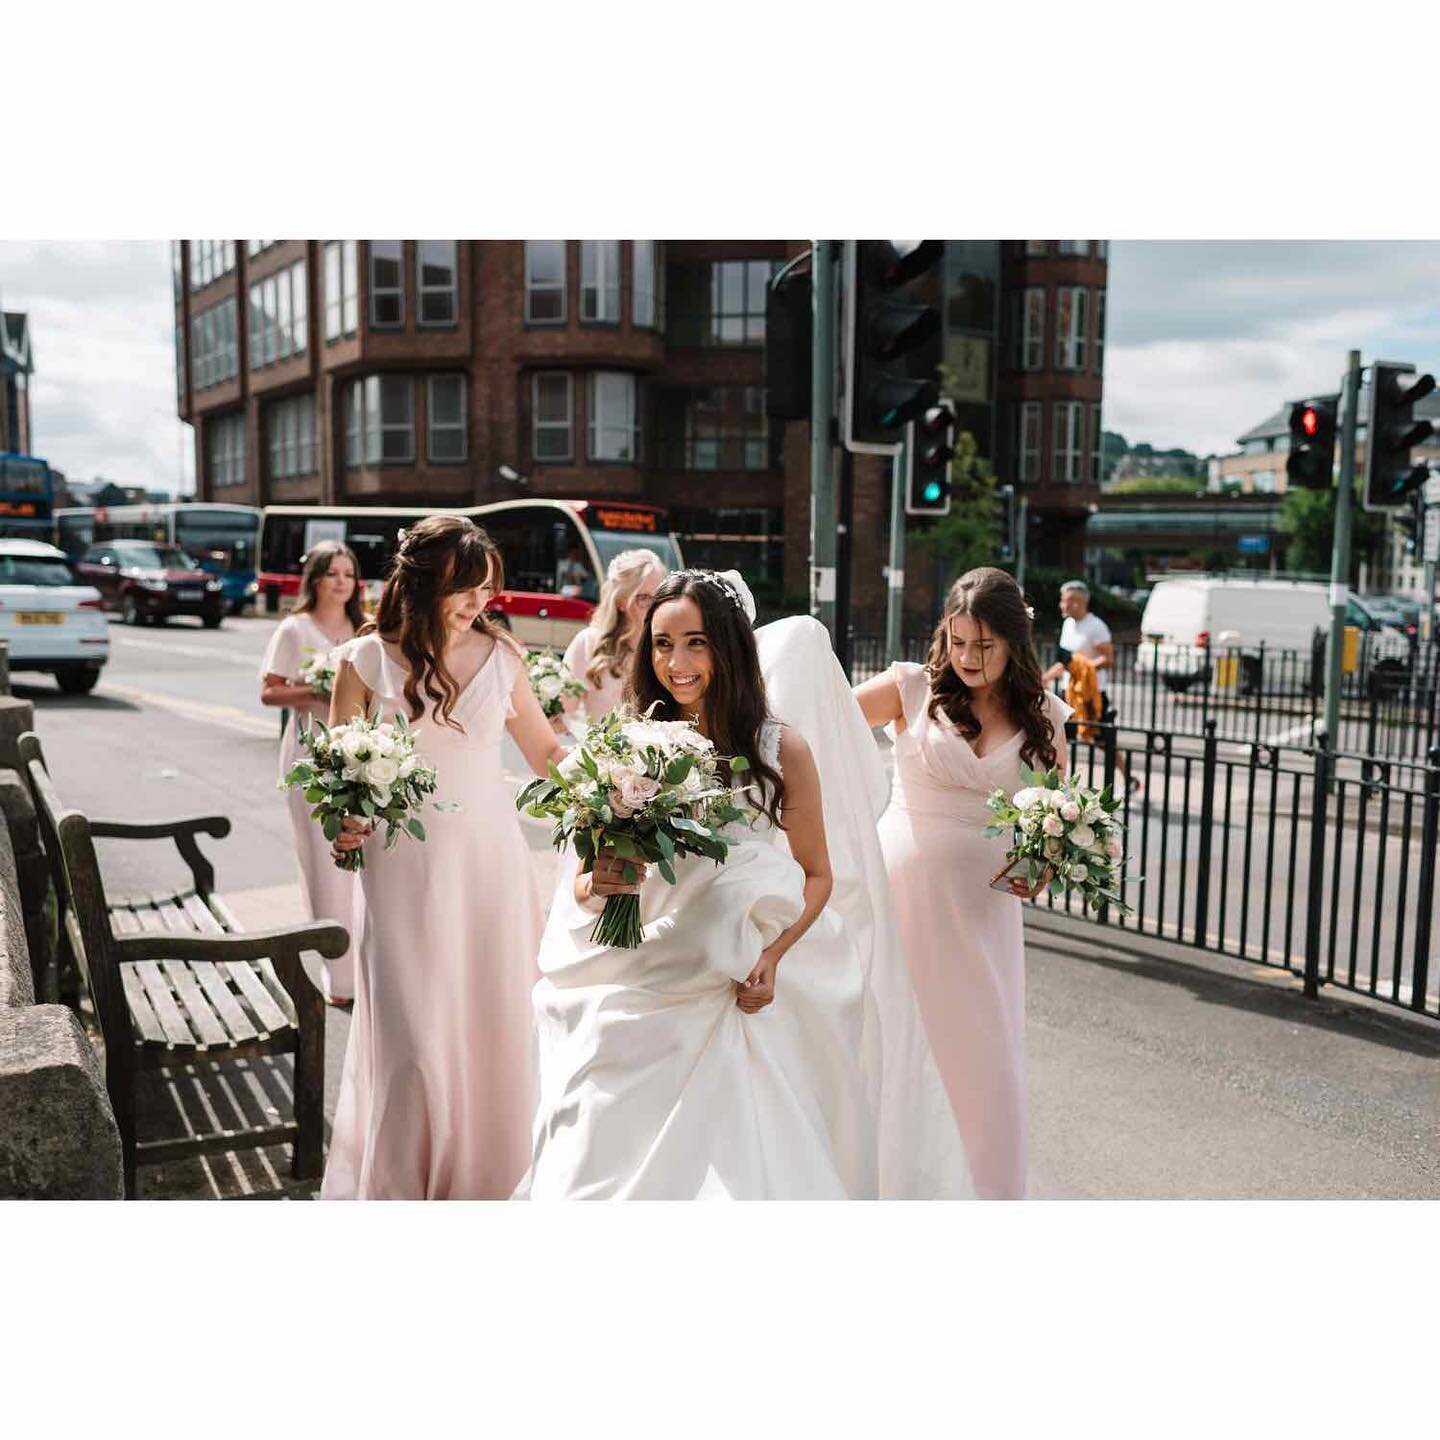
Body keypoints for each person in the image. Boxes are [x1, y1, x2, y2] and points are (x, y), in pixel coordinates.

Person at [521, 570, 884, 1200]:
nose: (677, 662)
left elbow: (819, 875)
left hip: (730, 977)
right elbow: (584, 881)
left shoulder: (779, 749)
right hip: (634, 967)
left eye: (696, 642)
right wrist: (596, 883)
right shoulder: (626, 746)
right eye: (662, 643)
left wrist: (771, 957)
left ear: (730, 647)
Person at [323, 515, 565, 1200]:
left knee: (494, 1016)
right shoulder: (365, 661)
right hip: (401, 867)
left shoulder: (503, 658)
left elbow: (546, 753)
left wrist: (619, 791)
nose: (478, 605)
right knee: (414, 1031)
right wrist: (342, 821)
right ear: (426, 582)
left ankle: (494, 1176)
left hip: (489, 861)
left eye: (487, 591)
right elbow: (340, 772)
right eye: (465, 590)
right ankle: (407, 1183)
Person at [854, 567, 1070, 1199]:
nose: (969, 658)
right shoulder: (908, 689)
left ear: (1013, 643)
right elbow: (815, 726)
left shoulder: (1047, 719)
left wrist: (1044, 867)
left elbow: (1054, 822)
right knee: (894, 1038)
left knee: (983, 1058)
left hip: (982, 917)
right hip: (900, 901)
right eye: (958, 642)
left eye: (986, 646)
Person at [258, 541, 365, 1005]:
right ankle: (337, 974)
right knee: (322, 861)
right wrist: (317, 692)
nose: (342, 581)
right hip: (309, 756)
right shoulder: (294, 629)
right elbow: (269, 693)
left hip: (361, 757)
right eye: (332, 573)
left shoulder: (364, 628)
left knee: (361, 863)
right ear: (316, 579)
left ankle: (363, 965)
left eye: (348, 573)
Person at [1041, 580, 1134, 791]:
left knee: (1101, 740)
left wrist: (1084, 668)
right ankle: (1057, 785)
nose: (1063, 605)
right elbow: (1067, 662)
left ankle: (1128, 778)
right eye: (1062, 600)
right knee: (1059, 739)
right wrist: (1046, 677)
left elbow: (1108, 658)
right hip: (1069, 692)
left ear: (1080, 602)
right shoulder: (1067, 625)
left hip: (1092, 694)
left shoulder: (1096, 626)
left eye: (1067, 601)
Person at [560, 547, 667, 723]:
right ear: (621, 602)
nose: (655, 606)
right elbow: (562, 714)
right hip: (601, 748)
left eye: (661, 596)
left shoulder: (670, 648)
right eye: (644, 598)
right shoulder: (589, 642)